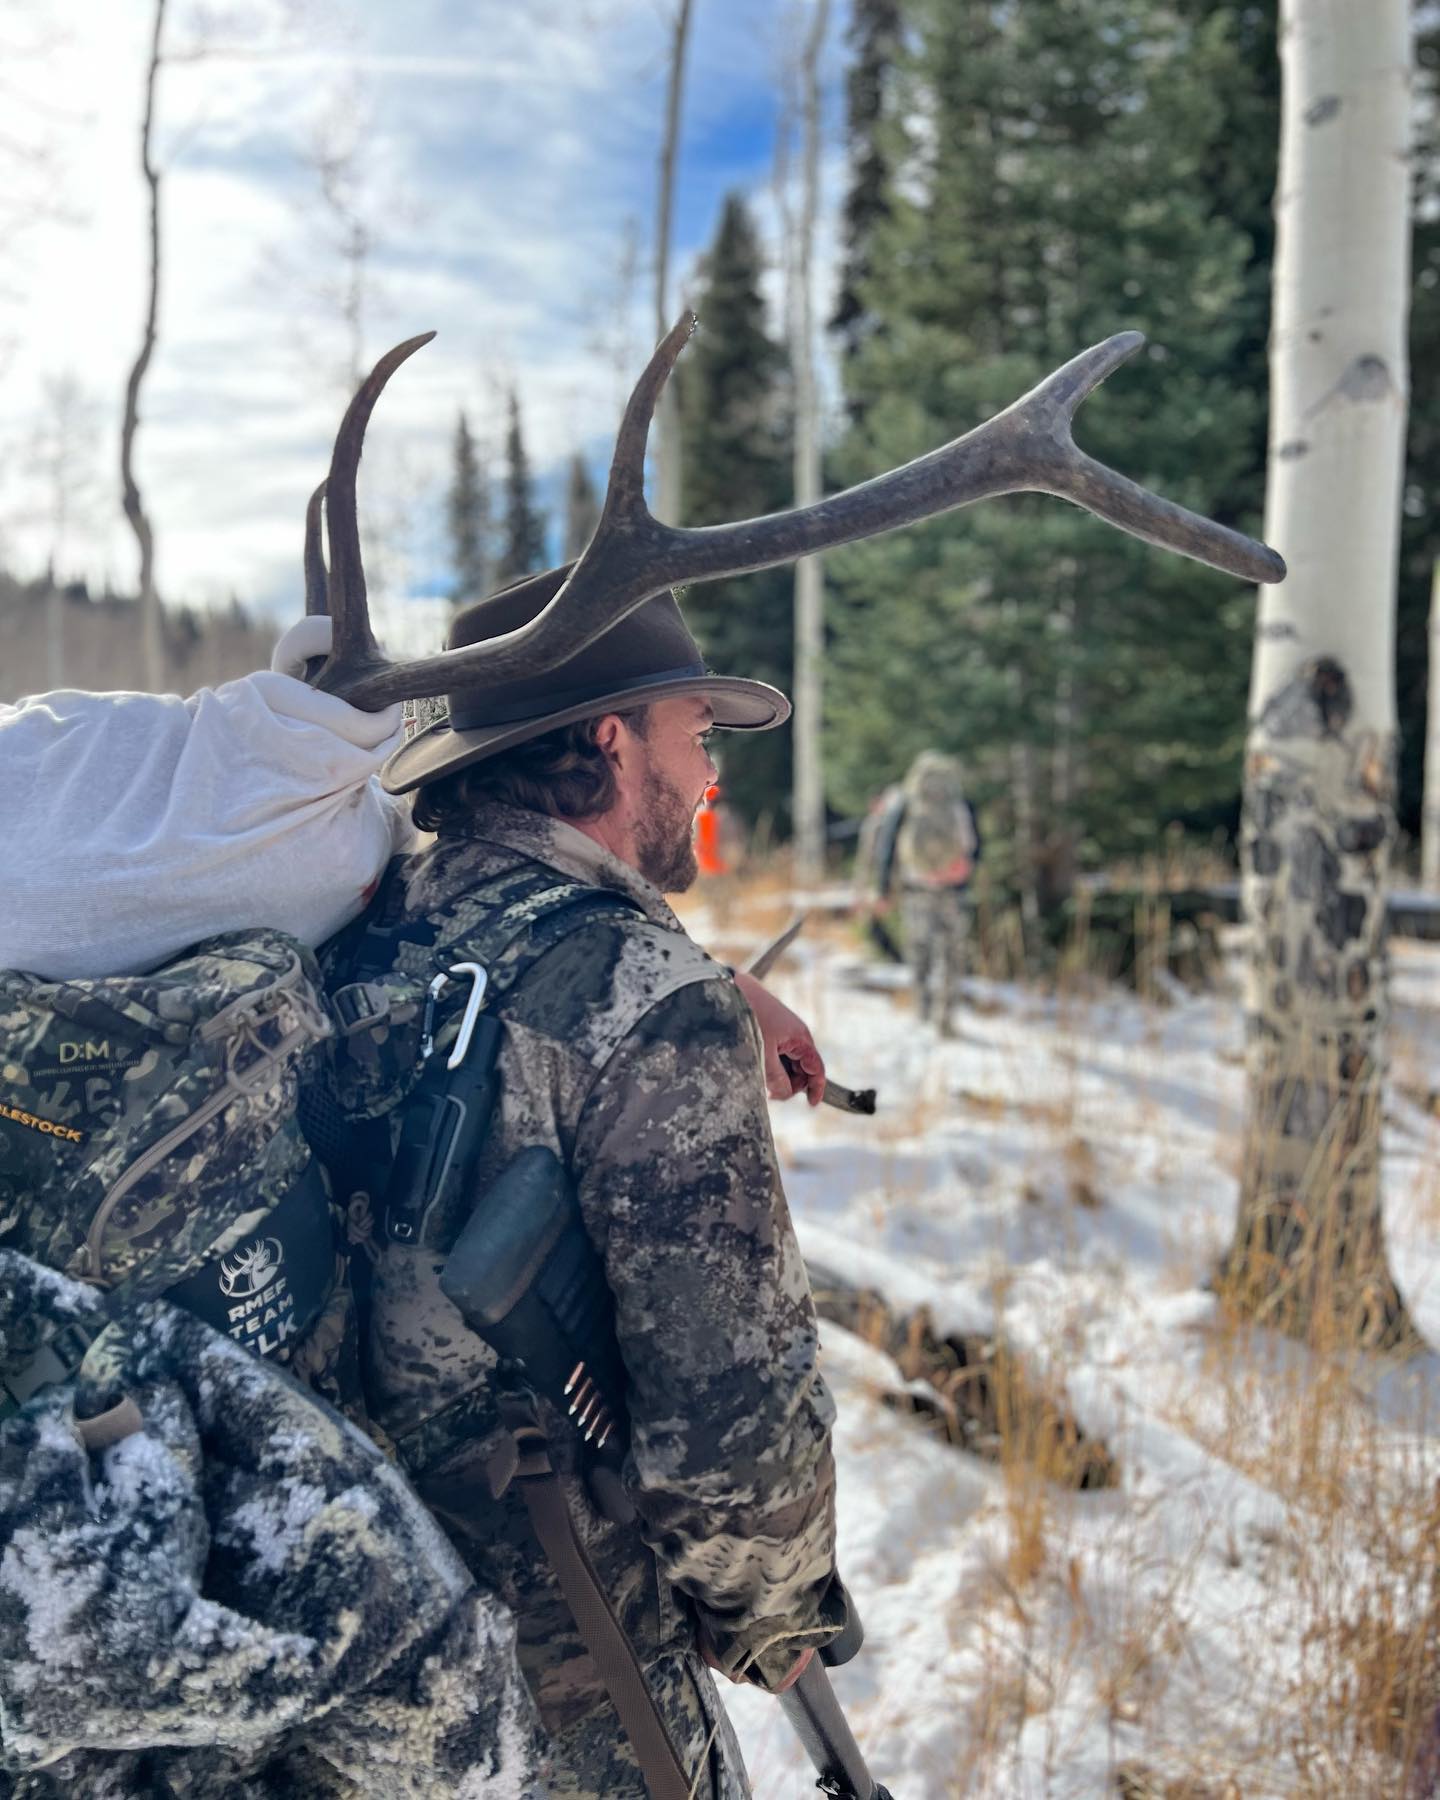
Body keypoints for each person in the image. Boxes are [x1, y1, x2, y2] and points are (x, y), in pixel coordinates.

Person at [363, 566, 845, 1799]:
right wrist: (776, 1615)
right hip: (564, 1664)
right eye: (696, 731)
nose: (710, 773)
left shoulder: (362, 925)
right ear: (611, 738)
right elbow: (733, 1435)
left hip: (356, 1639)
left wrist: (709, 980)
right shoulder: (651, 1005)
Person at [859, 750, 982, 1038]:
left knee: (920, 951)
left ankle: (923, 1010)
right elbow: (975, 849)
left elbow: (888, 845)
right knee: (951, 954)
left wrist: (883, 889)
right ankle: (946, 1017)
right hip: (952, 891)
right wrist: (964, 877)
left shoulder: (907, 802)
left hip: (916, 891)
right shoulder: (959, 804)